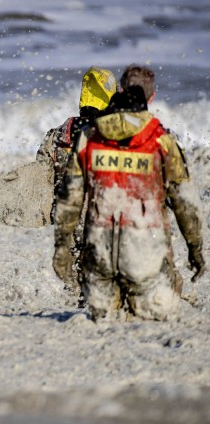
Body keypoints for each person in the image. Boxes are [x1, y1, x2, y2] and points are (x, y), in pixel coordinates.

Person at [52, 69, 205, 321]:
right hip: (145, 260)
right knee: (162, 304)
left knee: (102, 313)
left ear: (119, 92)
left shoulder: (90, 137)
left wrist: (61, 249)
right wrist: (196, 250)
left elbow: (69, 199)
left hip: (99, 259)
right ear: (152, 96)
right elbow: (186, 204)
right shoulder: (162, 140)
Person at [37, 66, 117, 293]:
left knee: (75, 279)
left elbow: (41, 179)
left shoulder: (56, 136)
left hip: (68, 219)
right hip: (101, 218)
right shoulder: (111, 137)